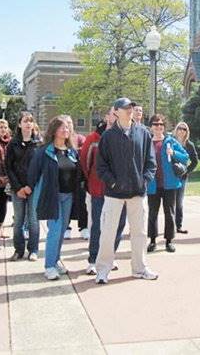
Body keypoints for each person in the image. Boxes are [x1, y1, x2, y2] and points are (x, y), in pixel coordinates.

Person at [95, 97, 157, 283]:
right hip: (114, 194)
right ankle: (103, 270)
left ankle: (140, 268)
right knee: (108, 232)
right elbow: (101, 167)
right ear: (116, 112)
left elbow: (151, 163)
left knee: (140, 233)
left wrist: (144, 181)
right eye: (125, 107)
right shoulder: (108, 136)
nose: (130, 110)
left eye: (131, 107)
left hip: (138, 193)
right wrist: (113, 183)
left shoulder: (144, 133)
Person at [26, 115, 85, 280]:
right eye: (62, 127)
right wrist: (28, 188)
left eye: (68, 127)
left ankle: (56, 259)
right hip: (51, 196)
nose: (66, 130)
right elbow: (33, 173)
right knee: (56, 229)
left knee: (61, 230)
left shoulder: (72, 151)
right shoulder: (44, 151)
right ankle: (49, 266)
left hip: (68, 196)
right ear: (54, 130)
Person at [79, 108, 126, 275]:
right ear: (107, 116)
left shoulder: (125, 135)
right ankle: (93, 260)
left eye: (118, 114)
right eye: (113, 113)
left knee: (118, 225)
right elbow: (85, 161)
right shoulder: (93, 138)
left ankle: (109, 258)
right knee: (98, 226)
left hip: (120, 190)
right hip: (99, 189)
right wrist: (91, 182)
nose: (115, 117)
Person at [147, 114, 189, 253]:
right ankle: (152, 240)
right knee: (152, 214)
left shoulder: (170, 141)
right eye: (155, 124)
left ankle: (169, 241)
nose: (158, 127)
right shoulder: (147, 142)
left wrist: (174, 153)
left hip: (169, 185)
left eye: (161, 125)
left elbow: (185, 157)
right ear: (151, 126)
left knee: (169, 213)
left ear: (164, 127)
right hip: (152, 185)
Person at [6, 111, 41, 261]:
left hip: (33, 187)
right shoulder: (12, 144)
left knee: (34, 219)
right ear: (19, 124)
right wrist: (18, 187)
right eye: (25, 121)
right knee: (18, 220)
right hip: (17, 187)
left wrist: (30, 186)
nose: (28, 124)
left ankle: (33, 249)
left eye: (30, 121)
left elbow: (40, 167)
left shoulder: (38, 143)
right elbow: (9, 167)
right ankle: (18, 249)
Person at [61, 114, 88, 240]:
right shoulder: (60, 140)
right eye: (66, 124)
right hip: (65, 178)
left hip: (79, 177)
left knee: (82, 203)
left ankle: (84, 227)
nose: (68, 126)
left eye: (70, 123)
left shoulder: (80, 138)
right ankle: (66, 227)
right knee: (66, 204)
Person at [173, 121, 198, 234]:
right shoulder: (170, 142)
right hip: (170, 176)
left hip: (182, 178)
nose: (182, 131)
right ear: (176, 129)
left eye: (184, 129)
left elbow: (195, 161)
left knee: (179, 202)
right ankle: (169, 226)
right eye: (180, 128)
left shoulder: (189, 145)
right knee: (169, 202)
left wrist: (186, 171)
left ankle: (178, 226)